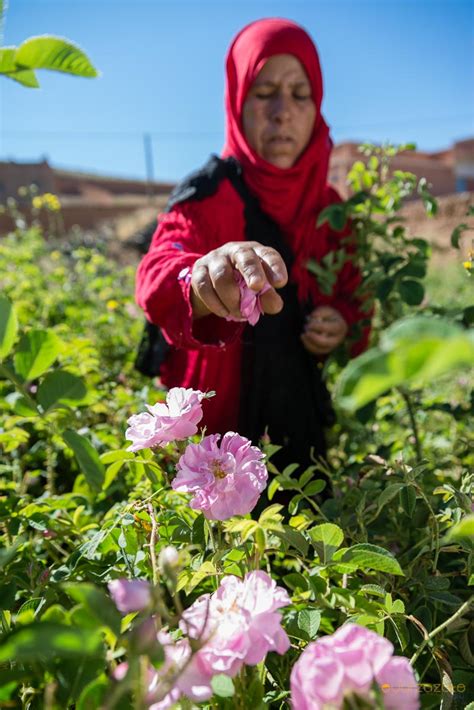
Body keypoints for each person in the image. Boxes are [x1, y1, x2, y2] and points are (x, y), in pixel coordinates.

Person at [135, 18, 370, 477]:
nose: (283, 112)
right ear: (237, 101)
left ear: (317, 104)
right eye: (264, 93)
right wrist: (203, 277)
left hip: (298, 419)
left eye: (300, 94)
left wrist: (339, 321)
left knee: (311, 532)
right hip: (216, 439)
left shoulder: (331, 210)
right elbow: (159, 271)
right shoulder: (207, 194)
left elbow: (354, 294)